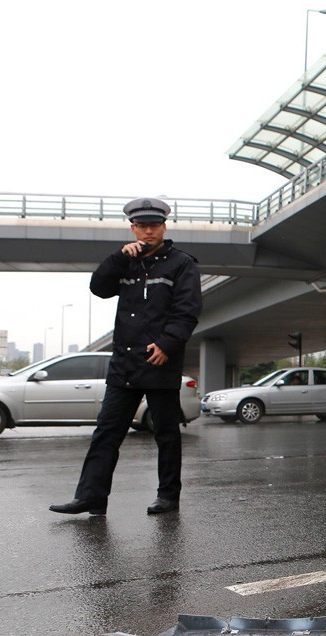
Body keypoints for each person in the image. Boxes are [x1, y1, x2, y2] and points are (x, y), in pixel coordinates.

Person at [50, 197, 202, 516]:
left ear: (164, 227)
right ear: (133, 228)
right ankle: (91, 497)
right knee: (106, 432)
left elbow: (187, 312)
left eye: (154, 225)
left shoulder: (181, 263)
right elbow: (99, 288)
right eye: (142, 226)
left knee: (166, 434)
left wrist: (166, 344)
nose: (148, 231)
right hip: (124, 365)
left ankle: (168, 495)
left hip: (159, 361)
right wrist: (118, 258)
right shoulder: (126, 261)